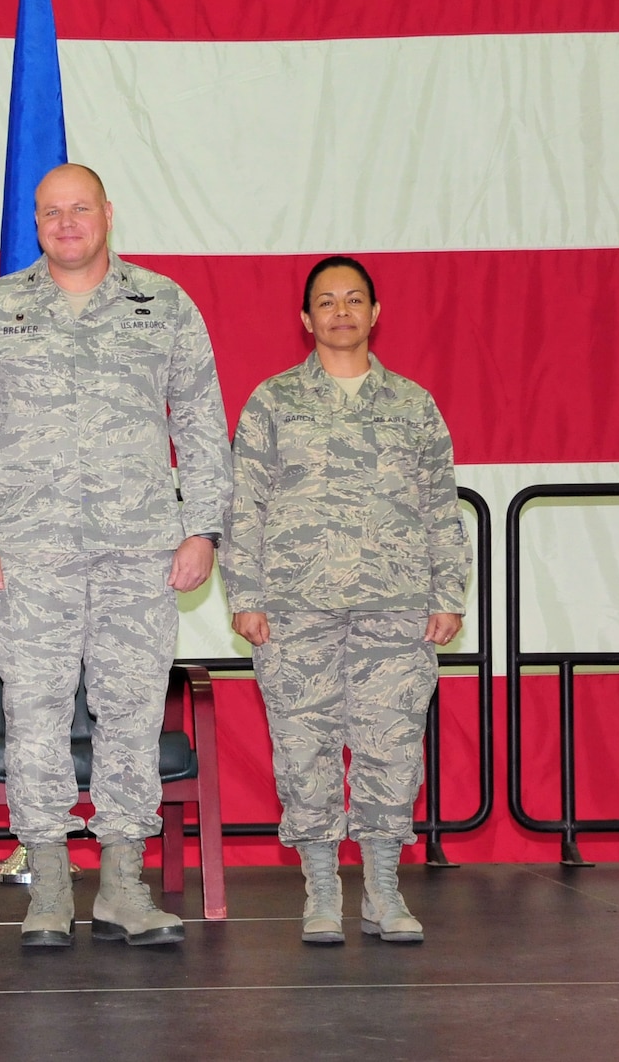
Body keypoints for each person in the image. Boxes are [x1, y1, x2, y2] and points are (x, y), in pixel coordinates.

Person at [0, 162, 232, 949]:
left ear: (107, 212)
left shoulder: (163, 304)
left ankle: (124, 885)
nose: (65, 224)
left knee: (132, 713)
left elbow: (201, 420)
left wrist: (202, 527)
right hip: (29, 555)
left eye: (79, 209)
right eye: (50, 213)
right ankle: (50, 886)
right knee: (33, 716)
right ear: (36, 224)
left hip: (140, 553)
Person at [223, 256, 467, 944]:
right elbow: (246, 507)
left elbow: (440, 507)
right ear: (306, 320)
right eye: (325, 302)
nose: (339, 312)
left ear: (374, 313)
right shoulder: (273, 402)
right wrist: (246, 595)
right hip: (295, 611)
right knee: (305, 749)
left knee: (392, 749)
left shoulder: (413, 405)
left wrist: (448, 593)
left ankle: (384, 890)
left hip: (397, 608)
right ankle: (322, 891)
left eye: (353, 300)